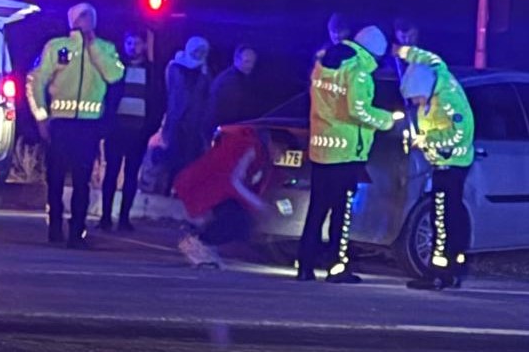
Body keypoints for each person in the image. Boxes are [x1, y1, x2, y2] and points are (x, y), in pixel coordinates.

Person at [297, 25, 400, 283]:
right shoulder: (358, 72)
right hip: (345, 154)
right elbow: (359, 111)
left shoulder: (324, 64)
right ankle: (336, 267)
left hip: (322, 149)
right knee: (341, 213)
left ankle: (305, 266)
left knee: (317, 210)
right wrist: (388, 119)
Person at [26, 3, 125, 248]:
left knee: (82, 180)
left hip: (88, 126)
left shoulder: (105, 48)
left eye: (90, 16)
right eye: (81, 16)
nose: (86, 20)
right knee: (56, 178)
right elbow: (35, 81)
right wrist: (41, 117)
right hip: (60, 125)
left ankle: (77, 231)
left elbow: (114, 75)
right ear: (72, 20)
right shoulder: (57, 47)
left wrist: (92, 45)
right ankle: (55, 227)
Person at [396, 45, 475, 290]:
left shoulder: (447, 98)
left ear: (424, 89)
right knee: (444, 216)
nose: (416, 103)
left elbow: (460, 134)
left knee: (441, 219)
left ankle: (439, 273)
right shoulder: (435, 74)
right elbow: (431, 57)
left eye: (417, 98)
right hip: (442, 165)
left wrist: (427, 140)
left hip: (451, 165)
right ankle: (448, 271)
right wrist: (405, 52)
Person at [174, 128, 283, 268]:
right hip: (207, 189)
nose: (280, 155)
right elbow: (232, 180)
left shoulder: (259, 154)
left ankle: (203, 242)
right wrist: (257, 205)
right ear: (272, 144)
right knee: (239, 221)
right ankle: (197, 241)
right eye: (281, 149)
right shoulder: (250, 148)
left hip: (213, 190)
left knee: (240, 221)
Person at [100, 31, 161, 231]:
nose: (132, 47)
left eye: (136, 42)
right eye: (128, 42)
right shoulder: (117, 69)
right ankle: (106, 217)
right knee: (111, 172)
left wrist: (151, 128)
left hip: (139, 131)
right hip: (116, 130)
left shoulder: (151, 72)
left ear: (144, 46)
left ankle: (124, 218)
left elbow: (158, 101)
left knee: (131, 175)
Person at [163, 36, 212, 192]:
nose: (199, 54)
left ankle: (182, 190)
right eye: (197, 50)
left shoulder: (204, 72)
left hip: (194, 124)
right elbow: (169, 92)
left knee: (189, 158)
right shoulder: (174, 67)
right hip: (176, 120)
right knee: (172, 157)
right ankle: (167, 188)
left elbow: (204, 98)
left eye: (203, 51)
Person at [207, 45, 259, 130]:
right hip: (225, 130)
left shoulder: (241, 77)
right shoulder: (228, 81)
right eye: (247, 62)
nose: (251, 66)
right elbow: (229, 114)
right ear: (236, 60)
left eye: (253, 62)